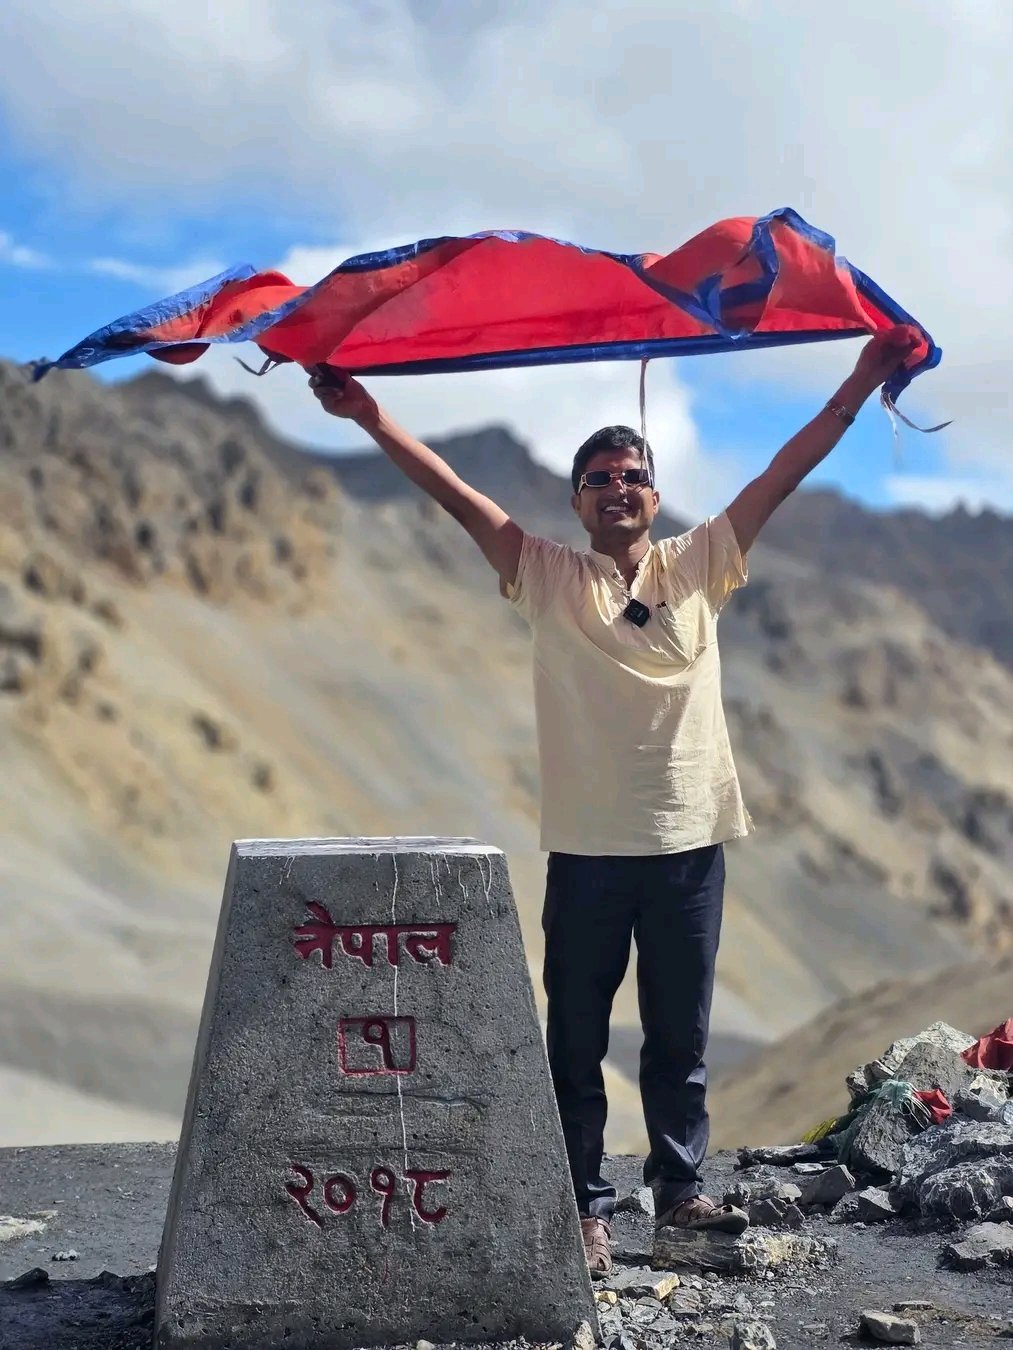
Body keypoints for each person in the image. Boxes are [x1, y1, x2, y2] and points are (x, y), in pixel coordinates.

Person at [309, 325, 919, 1275]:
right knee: (576, 1037)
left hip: (687, 849)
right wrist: (372, 414)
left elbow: (780, 471)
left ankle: (679, 1199)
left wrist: (857, 379)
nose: (617, 488)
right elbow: (455, 495)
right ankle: (583, 1209)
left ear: (653, 491)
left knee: (679, 1038)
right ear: (577, 503)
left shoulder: (702, 561)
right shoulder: (545, 575)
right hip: (589, 851)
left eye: (631, 473)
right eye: (598, 479)